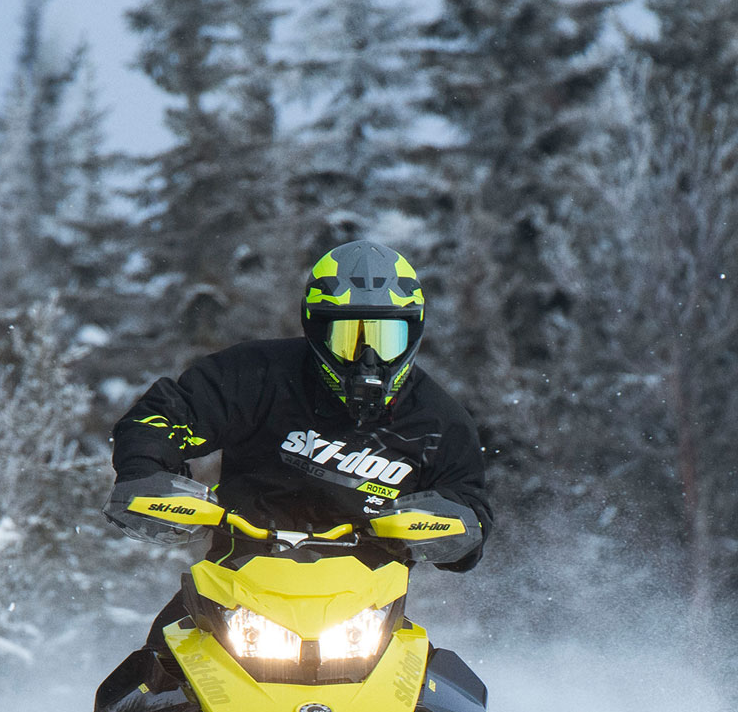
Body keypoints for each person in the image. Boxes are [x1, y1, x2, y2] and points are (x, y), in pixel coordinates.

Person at [105, 240, 491, 591]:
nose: (367, 358)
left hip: (367, 603)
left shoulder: (439, 422)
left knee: (438, 669)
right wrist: (146, 471)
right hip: (237, 584)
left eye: (385, 339)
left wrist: (448, 530)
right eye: (348, 337)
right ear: (317, 329)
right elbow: (166, 415)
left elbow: (468, 505)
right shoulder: (255, 374)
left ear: (413, 333)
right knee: (155, 661)